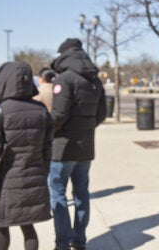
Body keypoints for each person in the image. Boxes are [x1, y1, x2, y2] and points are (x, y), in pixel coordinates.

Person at [0, 61, 53, 250]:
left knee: (2, 224)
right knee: (28, 225)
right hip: (34, 174)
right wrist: (43, 170)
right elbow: (47, 146)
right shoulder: (42, 110)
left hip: (6, 179)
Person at [48, 38, 107, 250]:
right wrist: (85, 128)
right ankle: (79, 240)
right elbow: (101, 114)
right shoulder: (96, 81)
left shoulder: (64, 79)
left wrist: (47, 132)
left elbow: (59, 115)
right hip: (85, 148)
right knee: (81, 194)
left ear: (63, 56)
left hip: (62, 148)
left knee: (58, 194)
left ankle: (62, 243)